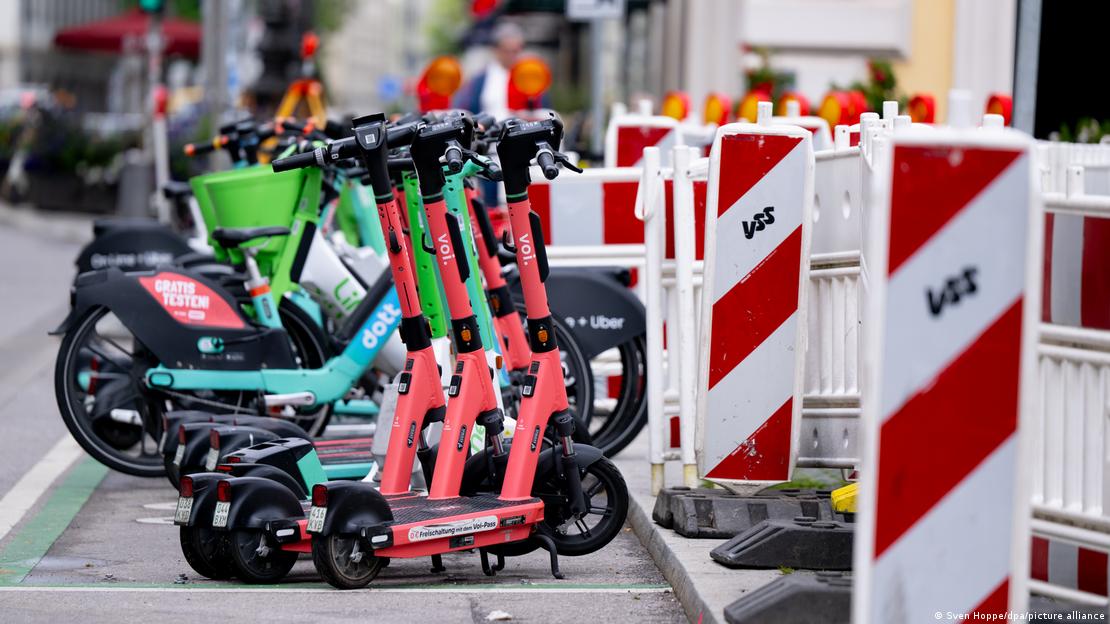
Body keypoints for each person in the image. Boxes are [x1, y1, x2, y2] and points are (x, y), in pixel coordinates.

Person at [455, 22, 526, 119]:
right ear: (496, 50)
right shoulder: (480, 79)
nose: (511, 56)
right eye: (506, 51)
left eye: (515, 51)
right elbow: (467, 108)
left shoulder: (529, 77)